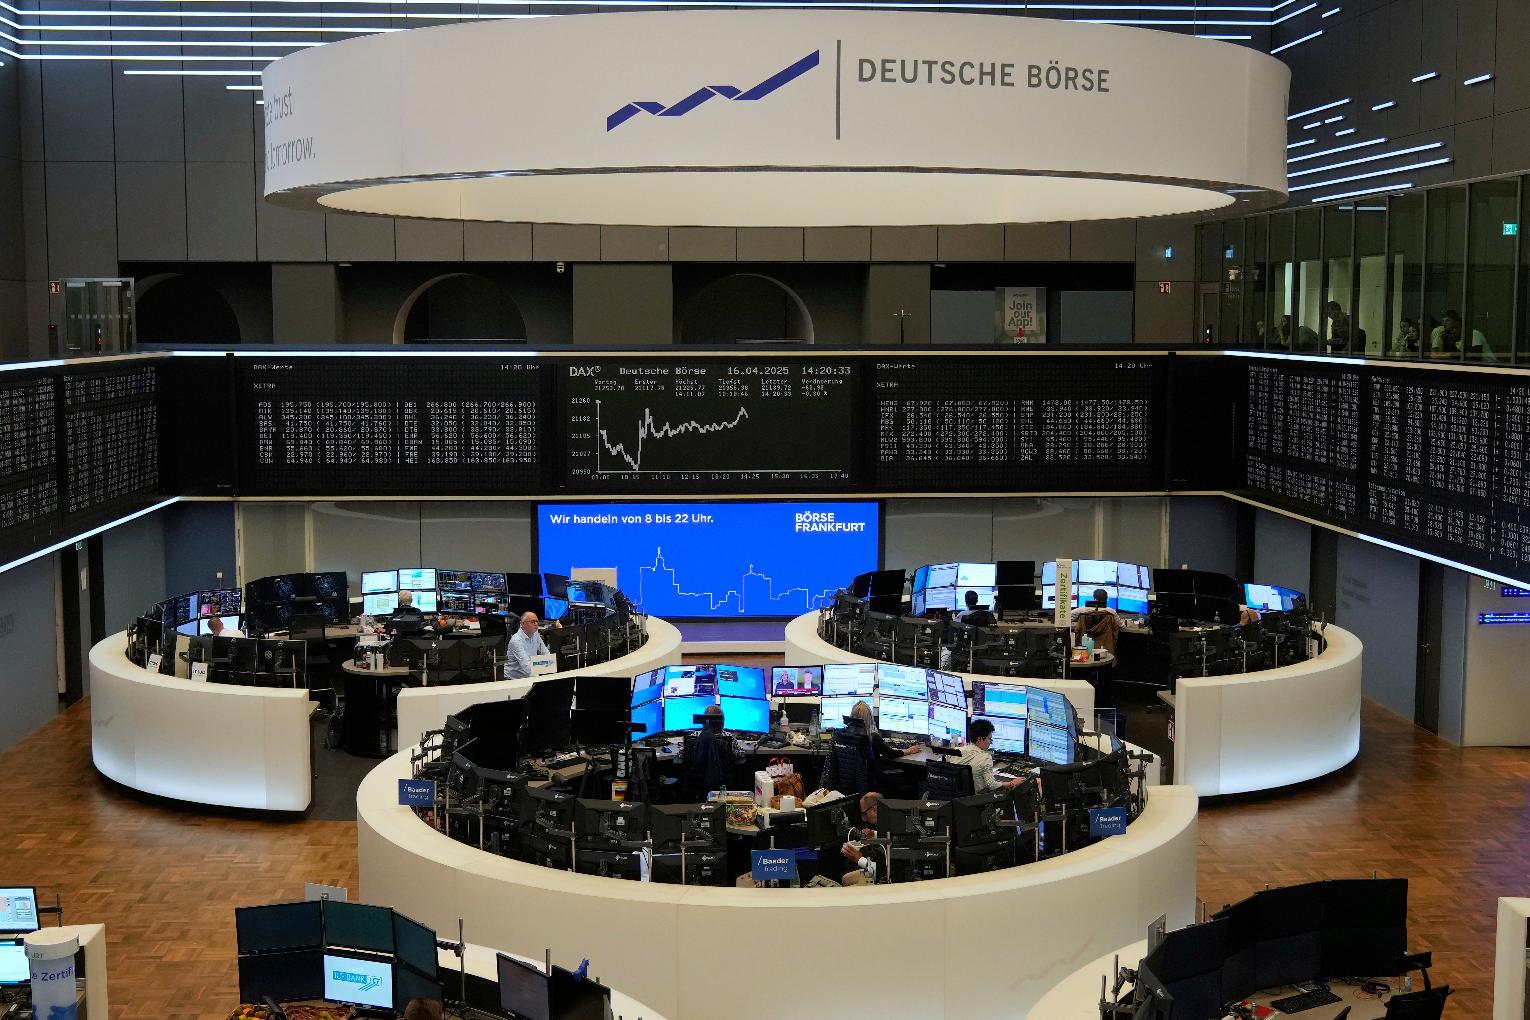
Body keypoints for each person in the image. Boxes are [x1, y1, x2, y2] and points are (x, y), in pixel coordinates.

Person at [956, 719, 1027, 793]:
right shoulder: (985, 758)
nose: (991, 742)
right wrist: (1012, 783)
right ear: (979, 739)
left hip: (956, 799)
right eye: (989, 738)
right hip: (977, 799)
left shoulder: (954, 752)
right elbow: (992, 785)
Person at [840, 792, 888, 885]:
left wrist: (859, 859)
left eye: (864, 814)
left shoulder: (890, 828)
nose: (863, 819)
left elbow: (880, 870)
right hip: (878, 871)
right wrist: (873, 834)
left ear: (875, 809)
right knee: (846, 879)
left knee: (856, 884)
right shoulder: (887, 823)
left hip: (884, 875)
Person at [687, 704, 728, 797]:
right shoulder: (728, 737)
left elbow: (682, 755)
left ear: (703, 722)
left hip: (698, 781)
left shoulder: (693, 737)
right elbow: (739, 755)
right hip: (721, 780)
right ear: (722, 722)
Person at [504, 610, 550, 679]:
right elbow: (527, 667)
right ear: (522, 624)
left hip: (528, 676)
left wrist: (550, 668)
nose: (536, 624)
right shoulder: (516, 640)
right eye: (532, 622)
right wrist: (542, 678)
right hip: (513, 680)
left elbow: (546, 653)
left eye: (537, 621)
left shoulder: (535, 634)